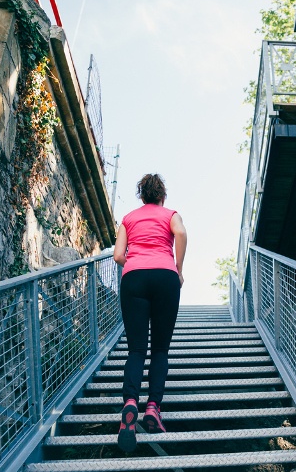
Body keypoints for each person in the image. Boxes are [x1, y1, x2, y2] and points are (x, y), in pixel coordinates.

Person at [113, 173, 187, 452]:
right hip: (165, 278)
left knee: (136, 349)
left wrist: (135, 257)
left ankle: (130, 402)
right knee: (160, 349)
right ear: (162, 196)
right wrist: (178, 269)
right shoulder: (171, 214)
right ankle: (153, 407)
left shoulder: (129, 219)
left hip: (134, 279)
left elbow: (118, 255)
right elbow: (180, 233)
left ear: (141, 196)